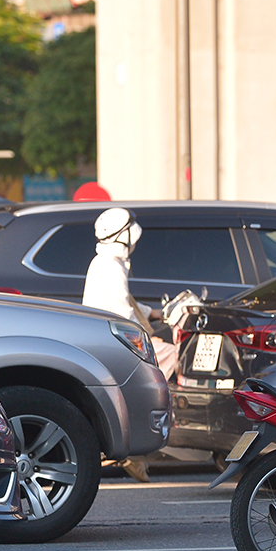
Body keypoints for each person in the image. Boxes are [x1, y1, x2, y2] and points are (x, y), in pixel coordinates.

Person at [82, 207, 178, 483]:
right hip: (116, 342)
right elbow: (124, 313)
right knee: (169, 358)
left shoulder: (103, 262)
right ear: (125, 236)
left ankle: (134, 455)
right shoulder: (111, 267)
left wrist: (155, 314)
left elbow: (125, 303)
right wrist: (149, 338)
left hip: (103, 339)